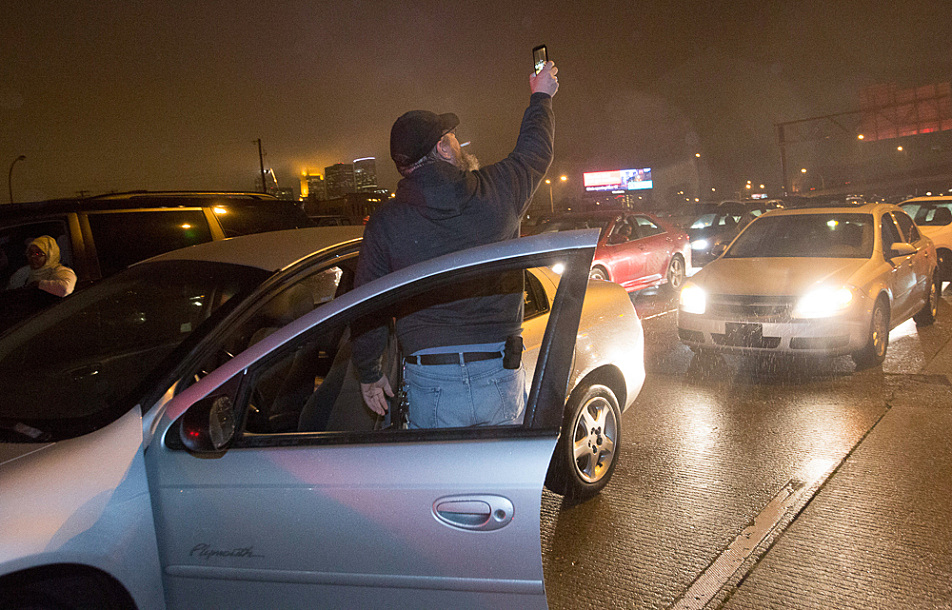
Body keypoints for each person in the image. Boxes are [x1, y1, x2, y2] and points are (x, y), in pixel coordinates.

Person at [351, 60, 560, 429]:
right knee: (500, 485)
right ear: (443, 150)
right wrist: (540, 96)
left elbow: (367, 307)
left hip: (429, 384)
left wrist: (369, 372)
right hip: (498, 373)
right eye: (450, 137)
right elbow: (534, 152)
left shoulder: (386, 223)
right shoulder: (498, 191)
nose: (457, 144)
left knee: (438, 487)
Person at [6, 236, 77, 297]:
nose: (33, 257)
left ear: (50, 254)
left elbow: (65, 289)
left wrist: (38, 284)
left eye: (38, 253)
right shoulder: (23, 273)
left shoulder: (61, 271)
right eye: (30, 253)